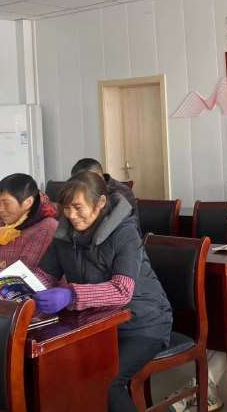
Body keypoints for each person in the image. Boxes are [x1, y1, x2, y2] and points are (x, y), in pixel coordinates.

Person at [32, 172, 172, 412]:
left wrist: (72, 295)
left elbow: (122, 290)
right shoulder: (64, 234)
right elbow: (45, 275)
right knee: (56, 372)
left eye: (78, 207)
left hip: (143, 324)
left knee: (105, 383)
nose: (71, 215)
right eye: (66, 208)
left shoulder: (124, 233)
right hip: (96, 325)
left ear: (100, 203)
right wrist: (19, 285)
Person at [71, 157, 137, 209]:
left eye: (86, 182)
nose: (82, 187)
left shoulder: (122, 192)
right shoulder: (77, 192)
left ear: (100, 177)